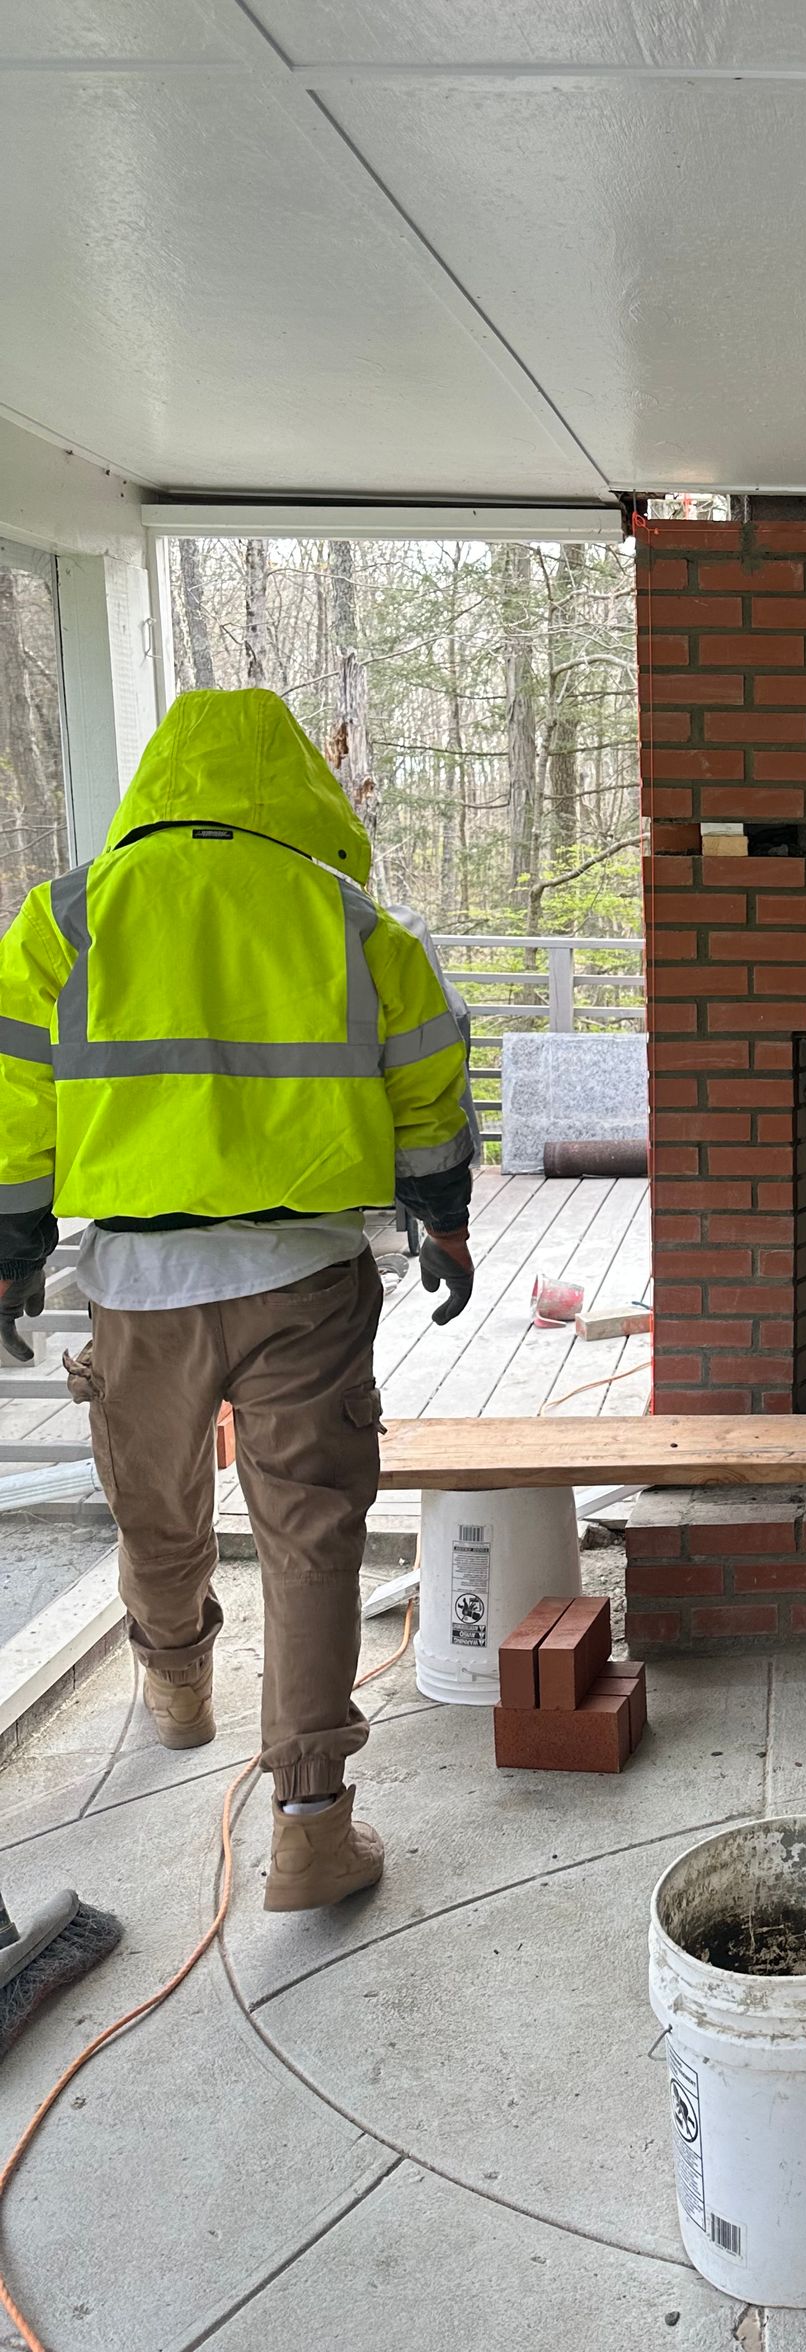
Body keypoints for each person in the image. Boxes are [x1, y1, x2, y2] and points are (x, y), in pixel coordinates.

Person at [0, 691, 476, 1911]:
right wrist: (446, 1215)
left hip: (137, 1289)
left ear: (164, 777)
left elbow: (13, 1096)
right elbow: (428, 1078)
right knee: (312, 1533)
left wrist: (9, 1249)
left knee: (155, 1506)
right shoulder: (350, 918)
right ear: (289, 787)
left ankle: (175, 1684)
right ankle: (311, 1827)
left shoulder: (67, 916)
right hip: (303, 1277)